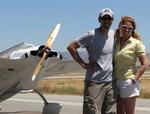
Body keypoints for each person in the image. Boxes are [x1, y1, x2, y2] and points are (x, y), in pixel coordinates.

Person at [67, 8, 116, 114]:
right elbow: (71, 47)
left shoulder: (114, 34)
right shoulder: (91, 34)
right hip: (94, 83)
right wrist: (83, 64)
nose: (106, 21)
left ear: (112, 20)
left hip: (110, 83)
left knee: (111, 112)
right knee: (92, 111)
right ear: (99, 19)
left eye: (109, 18)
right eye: (104, 18)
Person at [114, 16, 148, 114]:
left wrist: (135, 78)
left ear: (132, 30)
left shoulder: (136, 43)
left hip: (128, 81)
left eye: (130, 28)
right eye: (124, 27)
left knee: (129, 112)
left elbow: (144, 64)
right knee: (119, 111)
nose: (127, 30)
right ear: (120, 27)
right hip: (116, 81)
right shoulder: (116, 42)